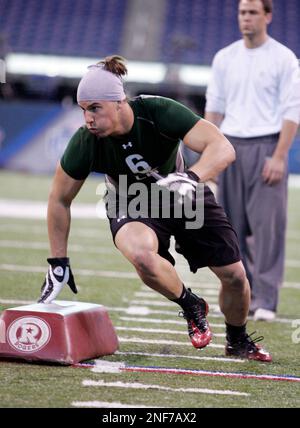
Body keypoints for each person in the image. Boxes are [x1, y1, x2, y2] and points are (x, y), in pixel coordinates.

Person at [38, 55, 272, 362]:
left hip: (180, 191)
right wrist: (58, 260)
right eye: (84, 110)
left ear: (120, 102)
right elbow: (59, 199)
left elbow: (223, 148)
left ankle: (238, 339)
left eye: (95, 108)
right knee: (141, 256)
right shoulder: (86, 141)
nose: (88, 119)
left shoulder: (158, 112)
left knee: (235, 276)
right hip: (130, 199)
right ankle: (191, 305)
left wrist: (191, 177)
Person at [205, 0, 300, 321]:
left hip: (266, 147)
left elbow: (292, 110)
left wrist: (280, 155)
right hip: (229, 145)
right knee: (230, 228)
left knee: (266, 230)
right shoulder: (225, 57)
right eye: (242, 12)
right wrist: (210, 153)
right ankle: (239, 295)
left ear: (268, 16)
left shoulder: (283, 58)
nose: (246, 18)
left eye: (253, 12)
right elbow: (214, 107)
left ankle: (266, 301)